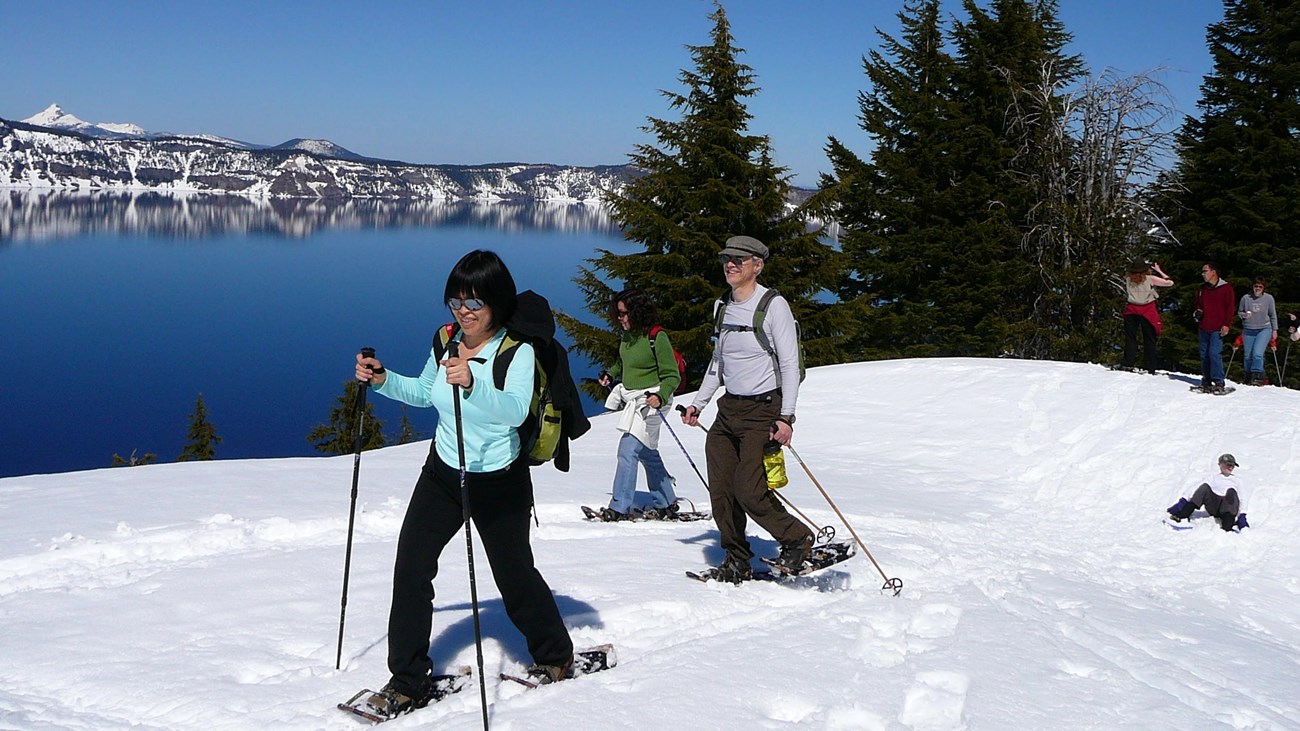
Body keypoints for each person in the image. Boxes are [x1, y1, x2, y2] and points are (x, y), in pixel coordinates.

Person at [353, 250, 575, 715]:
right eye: (455, 302)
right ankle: (407, 679)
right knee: (411, 567)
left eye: (474, 304)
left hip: (497, 480)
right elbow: (423, 392)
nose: (463, 313)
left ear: (497, 302)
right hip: (442, 473)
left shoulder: (517, 350)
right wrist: (383, 379)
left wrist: (474, 384)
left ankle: (555, 656)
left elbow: (514, 411)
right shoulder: (446, 339)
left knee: (513, 577)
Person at [680, 235, 813, 582]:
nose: (731, 264)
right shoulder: (721, 306)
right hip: (729, 411)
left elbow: (789, 365)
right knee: (722, 490)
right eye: (727, 258)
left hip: (763, 412)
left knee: (751, 491)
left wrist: (786, 417)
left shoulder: (773, 305)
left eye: (740, 259)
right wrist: (698, 403)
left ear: (758, 265)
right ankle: (736, 557)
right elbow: (717, 362)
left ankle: (797, 539)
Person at [595, 289, 680, 521]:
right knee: (646, 451)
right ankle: (666, 503)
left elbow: (672, 375)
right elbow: (622, 362)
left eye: (624, 313)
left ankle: (620, 507)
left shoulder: (656, 336)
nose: (620, 318)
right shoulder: (627, 336)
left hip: (652, 402)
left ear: (637, 312)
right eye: (618, 313)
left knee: (628, 449)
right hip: (635, 400)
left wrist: (660, 396)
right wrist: (610, 375)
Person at [1166, 453, 1251, 532]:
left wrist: (1242, 516)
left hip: (1228, 508)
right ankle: (1183, 515)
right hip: (1214, 506)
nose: (1231, 468)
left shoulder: (1237, 481)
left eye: (1233, 466)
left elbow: (1243, 498)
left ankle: (1227, 524)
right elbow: (1195, 488)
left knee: (1231, 492)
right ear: (1220, 464)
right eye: (1228, 465)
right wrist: (1182, 502)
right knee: (1204, 487)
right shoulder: (1213, 478)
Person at [1120, 259, 1173, 373]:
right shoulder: (1150, 279)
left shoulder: (1128, 280)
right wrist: (1160, 271)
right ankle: (1150, 366)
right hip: (1147, 310)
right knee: (1149, 339)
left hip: (1132, 309)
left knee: (1130, 338)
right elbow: (1169, 282)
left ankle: (1128, 362)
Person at [1193, 261, 1235, 393]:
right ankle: (1206, 379)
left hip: (1218, 327)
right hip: (1204, 326)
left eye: (1205, 271)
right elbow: (1197, 304)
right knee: (1204, 354)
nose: (1203, 274)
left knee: (1214, 353)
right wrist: (1197, 312)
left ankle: (1218, 381)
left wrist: (1226, 324)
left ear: (1213, 272)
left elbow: (1230, 308)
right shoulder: (1202, 289)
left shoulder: (1226, 288)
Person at [1237, 277, 1278, 386]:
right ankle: (1247, 375)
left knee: (1257, 353)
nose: (1258, 288)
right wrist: (1244, 315)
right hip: (1249, 329)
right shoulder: (1246, 298)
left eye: (1260, 287)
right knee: (1248, 355)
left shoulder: (1269, 298)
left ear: (1263, 288)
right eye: (1256, 286)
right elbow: (1240, 312)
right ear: (1253, 287)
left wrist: (1275, 329)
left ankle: (1257, 376)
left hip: (1264, 329)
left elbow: (1273, 315)